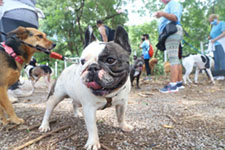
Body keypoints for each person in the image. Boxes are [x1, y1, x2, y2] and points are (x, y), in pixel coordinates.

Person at [155, 0, 183, 93]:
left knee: (173, 58)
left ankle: (173, 85)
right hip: (173, 31)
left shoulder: (173, 3)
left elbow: (175, 17)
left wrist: (162, 13)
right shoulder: (170, 4)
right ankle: (178, 82)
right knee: (176, 58)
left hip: (172, 31)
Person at [208, 14, 225, 80]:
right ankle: (217, 74)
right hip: (214, 45)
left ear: (215, 19)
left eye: (211, 20)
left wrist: (215, 39)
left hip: (220, 44)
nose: (211, 22)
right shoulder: (213, 26)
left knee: (222, 59)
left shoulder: (222, 23)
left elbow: (224, 33)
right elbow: (213, 35)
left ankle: (223, 74)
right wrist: (210, 37)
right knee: (216, 60)